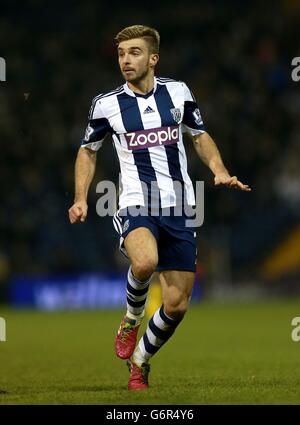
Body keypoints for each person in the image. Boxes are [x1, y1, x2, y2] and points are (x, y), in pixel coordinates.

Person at [68, 25, 251, 391]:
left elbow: (199, 136)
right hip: (137, 200)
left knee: (177, 304)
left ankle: (141, 360)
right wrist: (80, 197)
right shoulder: (106, 104)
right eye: (121, 54)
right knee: (145, 262)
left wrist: (219, 171)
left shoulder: (178, 93)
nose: (125, 60)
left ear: (153, 58)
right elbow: (88, 151)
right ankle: (132, 317)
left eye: (134, 52)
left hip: (180, 206)